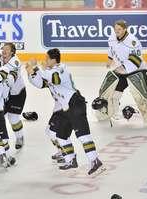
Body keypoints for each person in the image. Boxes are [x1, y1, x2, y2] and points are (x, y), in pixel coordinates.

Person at [26, 48, 104, 176]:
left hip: (75, 104)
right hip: (64, 108)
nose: (44, 61)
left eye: (46, 59)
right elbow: (39, 84)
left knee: (83, 136)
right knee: (60, 135)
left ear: (53, 60)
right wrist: (30, 72)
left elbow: (55, 79)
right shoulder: (49, 71)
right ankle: (71, 159)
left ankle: (95, 161)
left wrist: (38, 68)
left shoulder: (61, 69)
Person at [92, 20, 147, 126]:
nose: (117, 31)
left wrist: (124, 67)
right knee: (112, 92)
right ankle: (107, 112)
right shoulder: (112, 38)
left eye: (119, 29)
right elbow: (111, 50)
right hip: (121, 72)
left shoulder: (133, 41)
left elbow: (137, 59)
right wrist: (109, 60)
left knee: (140, 95)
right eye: (115, 29)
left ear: (125, 29)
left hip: (137, 71)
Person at [1, 43, 26, 150]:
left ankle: (20, 137)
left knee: (13, 117)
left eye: (6, 49)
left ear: (12, 52)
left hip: (17, 94)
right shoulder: (1, 59)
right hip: (5, 95)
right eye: (3, 49)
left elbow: (10, 81)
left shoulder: (15, 62)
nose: (4, 51)